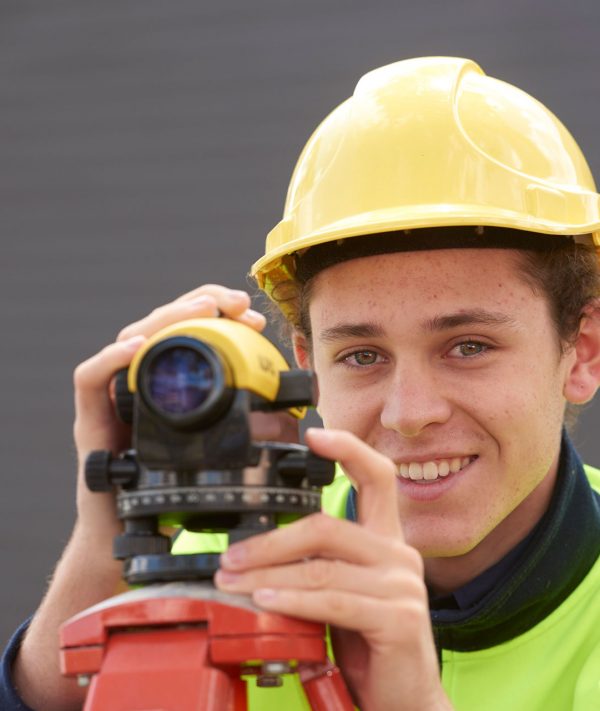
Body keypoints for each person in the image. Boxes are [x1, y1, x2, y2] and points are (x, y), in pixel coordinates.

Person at [2, 56, 600, 711]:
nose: (409, 413)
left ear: (583, 351)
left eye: (469, 346)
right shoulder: (223, 551)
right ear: (307, 366)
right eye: (363, 356)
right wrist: (107, 543)